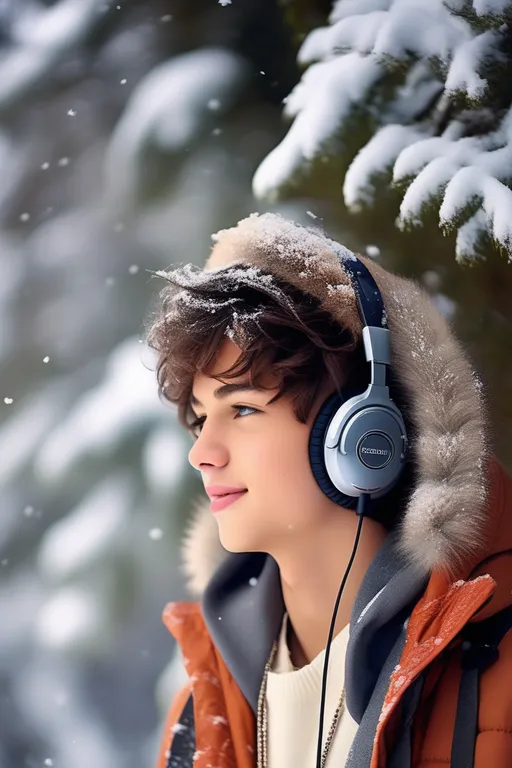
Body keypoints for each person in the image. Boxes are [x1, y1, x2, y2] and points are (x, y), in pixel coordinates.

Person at [146, 213, 512, 768]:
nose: (203, 453)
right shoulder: (203, 706)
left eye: (242, 409)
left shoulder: (499, 664)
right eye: (200, 421)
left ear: (366, 431)